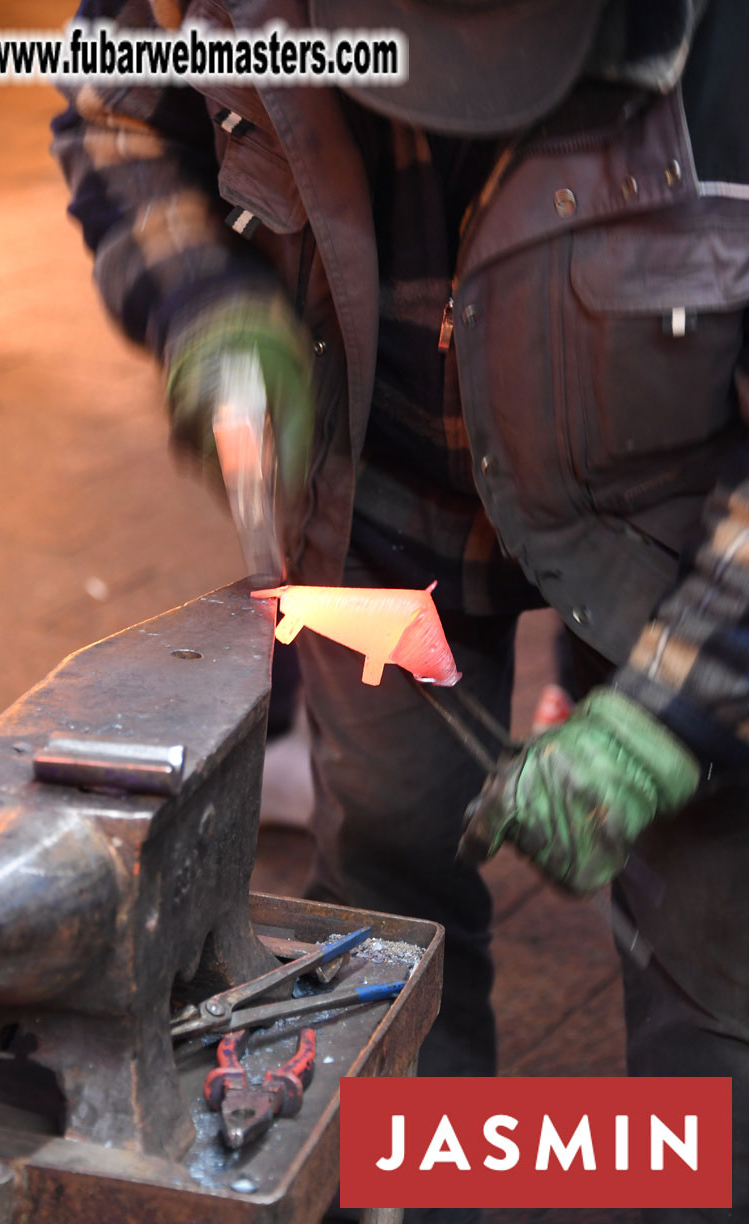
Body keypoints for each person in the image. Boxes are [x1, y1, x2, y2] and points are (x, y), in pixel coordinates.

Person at [52, 2, 749, 1217]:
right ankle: (418, 1191)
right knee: (388, 910)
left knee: (716, 971)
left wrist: (677, 715)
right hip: (384, 490)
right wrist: (204, 298)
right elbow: (114, 105)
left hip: (682, 524)